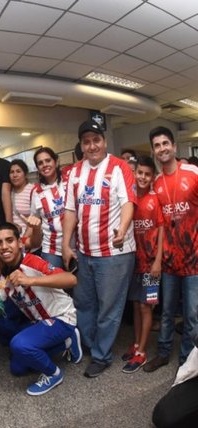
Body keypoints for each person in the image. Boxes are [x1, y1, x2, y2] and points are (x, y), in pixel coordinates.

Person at [62, 120, 136, 378]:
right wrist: (65, 245)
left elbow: (128, 203)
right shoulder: (73, 173)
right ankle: (91, 346)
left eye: (96, 140)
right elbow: (70, 211)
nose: (92, 145)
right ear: (81, 146)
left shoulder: (120, 167)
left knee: (109, 308)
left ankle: (102, 356)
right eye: (86, 141)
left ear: (104, 141)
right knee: (84, 303)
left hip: (115, 254)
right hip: (84, 252)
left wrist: (123, 227)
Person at [0, 223, 81, 396]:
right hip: (38, 321)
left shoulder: (31, 261)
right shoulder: (3, 270)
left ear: (20, 243)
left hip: (61, 317)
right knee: (17, 368)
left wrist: (31, 280)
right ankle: (67, 342)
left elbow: (71, 279)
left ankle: (54, 374)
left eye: (10, 241)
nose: (5, 246)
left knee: (19, 345)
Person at [144, 126, 198, 372]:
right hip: (168, 261)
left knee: (192, 315)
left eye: (166, 143)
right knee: (166, 312)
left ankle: (186, 357)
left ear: (174, 146)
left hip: (194, 259)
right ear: (154, 151)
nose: (162, 148)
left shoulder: (193, 172)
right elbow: (158, 222)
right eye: (157, 145)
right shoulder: (156, 182)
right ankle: (164, 353)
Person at [121, 156, 163, 373]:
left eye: (147, 174)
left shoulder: (155, 200)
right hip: (135, 263)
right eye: (140, 173)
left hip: (151, 266)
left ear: (152, 177)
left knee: (146, 307)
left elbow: (162, 230)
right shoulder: (131, 200)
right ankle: (136, 343)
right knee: (136, 306)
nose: (143, 177)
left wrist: (158, 261)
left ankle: (142, 352)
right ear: (134, 174)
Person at [30, 147, 67, 269]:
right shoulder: (36, 192)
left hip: (76, 247)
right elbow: (34, 220)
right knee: (53, 287)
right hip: (51, 250)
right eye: (40, 163)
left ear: (55, 162)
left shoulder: (70, 182)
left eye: (48, 160)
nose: (44, 165)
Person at [9, 159, 34, 234]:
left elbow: (36, 217)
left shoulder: (33, 190)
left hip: (30, 238)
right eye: (12, 172)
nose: (15, 175)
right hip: (13, 239)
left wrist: (24, 241)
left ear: (25, 174)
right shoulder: (8, 192)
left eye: (18, 171)